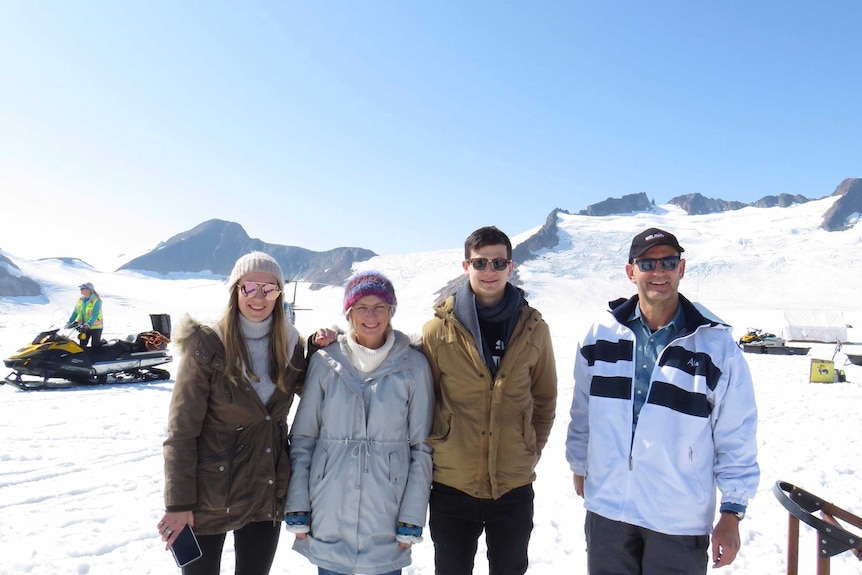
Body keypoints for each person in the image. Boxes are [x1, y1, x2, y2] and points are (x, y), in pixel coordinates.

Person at [565, 227, 760, 575]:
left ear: (681, 269)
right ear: (631, 272)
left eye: (668, 262)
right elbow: (582, 411)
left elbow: (736, 434)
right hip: (609, 508)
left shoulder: (716, 348)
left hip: (677, 518)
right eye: (647, 263)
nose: (659, 272)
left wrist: (732, 512)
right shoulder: (600, 335)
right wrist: (579, 462)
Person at [158, 251, 334, 575]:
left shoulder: (291, 345)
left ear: (279, 295)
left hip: (264, 493)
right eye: (249, 287)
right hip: (208, 496)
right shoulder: (208, 345)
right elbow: (181, 432)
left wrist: (321, 350)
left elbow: (313, 392)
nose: (258, 297)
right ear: (235, 290)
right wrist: (178, 504)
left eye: (269, 289)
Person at [421, 226, 558, 575]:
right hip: (453, 486)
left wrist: (529, 448)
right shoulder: (438, 331)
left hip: (512, 487)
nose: (489, 272)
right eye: (480, 263)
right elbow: (425, 401)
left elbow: (544, 398)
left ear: (511, 268)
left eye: (498, 263)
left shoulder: (534, 328)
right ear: (466, 266)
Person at [285, 270, 434, 575]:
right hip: (329, 512)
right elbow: (303, 438)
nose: (371, 315)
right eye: (361, 307)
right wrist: (298, 507)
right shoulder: (326, 362)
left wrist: (412, 517)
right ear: (348, 312)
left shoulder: (413, 366)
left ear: (391, 311)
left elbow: (422, 447)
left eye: (380, 306)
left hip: (387, 520)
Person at [66, 282, 103, 348]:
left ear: (89, 290)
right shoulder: (81, 299)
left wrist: (88, 324)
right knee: (82, 346)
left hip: (96, 327)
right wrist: (69, 322)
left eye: (83, 288)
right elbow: (75, 312)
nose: (81, 290)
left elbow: (95, 315)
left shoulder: (96, 300)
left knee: (95, 346)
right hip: (84, 328)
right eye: (81, 288)